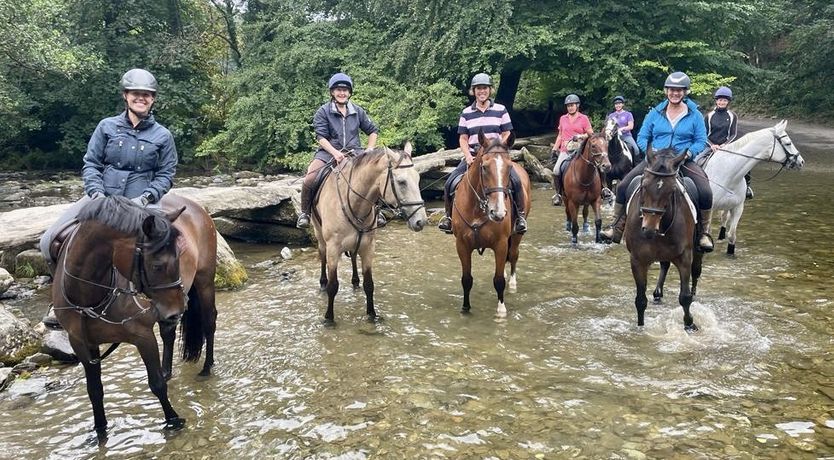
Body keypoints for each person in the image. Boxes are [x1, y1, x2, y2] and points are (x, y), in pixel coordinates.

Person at [39, 68, 178, 326]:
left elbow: (166, 174)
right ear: (126, 96)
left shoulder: (163, 136)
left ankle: (165, 299)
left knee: (161, 250)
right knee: (48, 241)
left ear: (153, 99)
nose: (142, 98)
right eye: (136, 94)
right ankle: (58, 300)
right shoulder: (106, 127)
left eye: (147, 95)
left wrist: (146, 199)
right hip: (102, 198)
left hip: (141, 202)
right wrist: (96, 193)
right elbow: (91, 163)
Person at [600, 71, 714, 252]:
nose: (675, 93)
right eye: (671, 90)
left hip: (680, 160)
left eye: (679, 90)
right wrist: (650, 154)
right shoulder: (655, 113)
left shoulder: (695, 115)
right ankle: (616, 226)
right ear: (666, 91)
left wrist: (688, 154)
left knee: (705, 190)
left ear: (685, 92)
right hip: (655, 161)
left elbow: (701, 140)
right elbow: (643, 136)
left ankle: (703, 233)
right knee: (623, 186)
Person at [437, 73, 527, 234]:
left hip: (496, 156)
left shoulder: (500, 109)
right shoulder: (466, 112)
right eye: (478, 88)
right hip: (474, 155)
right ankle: (449, 218)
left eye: (484, 88)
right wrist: (468, 156)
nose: (481, 91)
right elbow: (463, 139)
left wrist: (500, 146)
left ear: (489, 90)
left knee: (516, 181)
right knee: (449, 183)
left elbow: (507, 133)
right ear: (474, 91)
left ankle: (520, 217)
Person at [296, 73, 381, 229]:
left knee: (374, 175)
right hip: (327, 152)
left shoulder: (357, 111)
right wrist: (335, 152)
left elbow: (373, 131)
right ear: (332, 92)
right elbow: (321, 137)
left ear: (349, 93)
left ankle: (377, 211)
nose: (342, 93)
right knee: (310, 178)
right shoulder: (323, 111)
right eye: (338, 90)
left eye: (345, 90)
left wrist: (370, 149)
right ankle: (305, 213)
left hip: (355, 152)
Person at [704, 86, 750, 199]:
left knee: (745, 162)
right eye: (720, 100)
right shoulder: (709, 116)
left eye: (724, 100)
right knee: (697, 161)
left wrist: (725, 145)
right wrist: (712, 145)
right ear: (716, 101)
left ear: (728, 102)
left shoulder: (732, 116)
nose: (722, 102)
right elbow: (704, 134)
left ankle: (747, 188)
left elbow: (733, 134)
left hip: (727, 146)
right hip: (710, 145)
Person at [550, 94, 595, 206]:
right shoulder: (562, 118)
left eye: (572, 105)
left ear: (577, 105)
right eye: (568, 105)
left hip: (580, 149)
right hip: (565, 150)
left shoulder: (583, 118)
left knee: (595, 166)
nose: (570, 107)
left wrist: (580, 136)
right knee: (556, 171)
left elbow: (591, 134)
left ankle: (603, 189)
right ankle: (558, 194)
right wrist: (555, 149)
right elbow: (560, 135)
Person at [606, 95, 640, 160]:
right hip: (613, 137)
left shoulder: (628, 114)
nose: (617, 105)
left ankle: (636, 165)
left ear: (622, 104)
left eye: (619, 103)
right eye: (616, 104)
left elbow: (631, 126)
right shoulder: (611, 116)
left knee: (636, 149)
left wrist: (621, 129)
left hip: (625, 136)